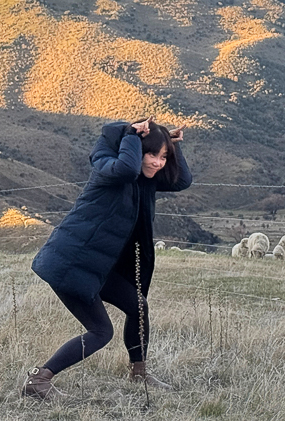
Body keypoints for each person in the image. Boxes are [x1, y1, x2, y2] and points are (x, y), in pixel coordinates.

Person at [24, 116, 192, 400]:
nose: (158, 163)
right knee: (101, 331)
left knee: (138, 306)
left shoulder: (144, 180)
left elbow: (182, 180)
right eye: (152, 154)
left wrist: (172, 146)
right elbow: (126, 167)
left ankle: (139, 373)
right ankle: (39, 380)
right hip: (71, 262)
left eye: (163, 157)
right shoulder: (109, 168)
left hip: (96, 266)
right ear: (136, 148)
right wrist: (129, 133)